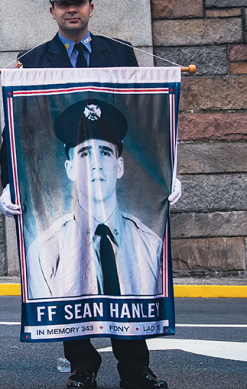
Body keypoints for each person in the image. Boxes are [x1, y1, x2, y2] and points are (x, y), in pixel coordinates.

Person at [0, 0, 182, 389]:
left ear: (91, 7)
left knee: (130, 278)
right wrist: (12, 181)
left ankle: (135, 368)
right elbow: (17, 130)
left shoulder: (120, 54)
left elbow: (143, 117)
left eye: (78, 2)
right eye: (64, 3)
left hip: (118, 206)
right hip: (65, 206)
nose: (71, 9)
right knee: (71, 282)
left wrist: (167, 169)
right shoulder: (33, 61)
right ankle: (82, 365)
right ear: (52, 11)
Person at [26, 99, 163, 299]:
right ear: (70, 169)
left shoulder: (150, 245)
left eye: (105, 153)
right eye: (85, 154)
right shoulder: (45, 252)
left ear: (119, 166)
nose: (96, 164)